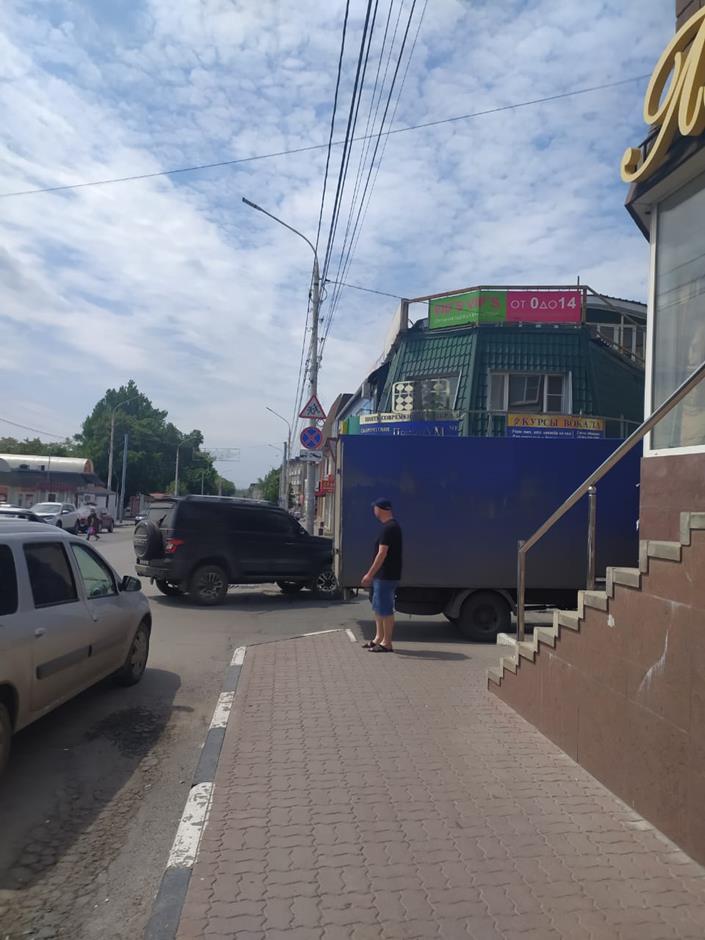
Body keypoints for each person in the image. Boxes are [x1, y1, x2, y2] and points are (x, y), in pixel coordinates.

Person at [361, 498, 402, 652]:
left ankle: (387, 643)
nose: (374, 511)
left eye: (375, 508)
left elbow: (382, 553)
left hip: (386, 575)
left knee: (385, 609)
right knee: (378, 607)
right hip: (382, 576)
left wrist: (369, 574)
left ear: (381, 509)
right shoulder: (390, 527)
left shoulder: (389, 528)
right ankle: (378, 638)